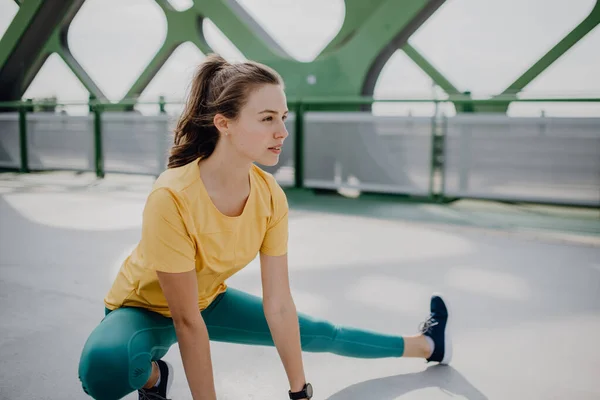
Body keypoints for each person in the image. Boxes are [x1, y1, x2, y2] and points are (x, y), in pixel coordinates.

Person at [77, 54, 452, 400]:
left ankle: (427, 344)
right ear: (224, 123)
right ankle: (154, 377)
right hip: (141, 309)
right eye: (267, 118)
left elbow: (279, 305)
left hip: (207, 301)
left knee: (322, 332)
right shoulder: (171, 195)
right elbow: (186, 321)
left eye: (283, 117)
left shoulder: (270, 196)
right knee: (105, 369)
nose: (282, 132)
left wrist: (299, 392)